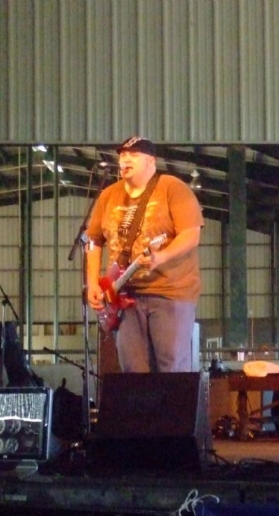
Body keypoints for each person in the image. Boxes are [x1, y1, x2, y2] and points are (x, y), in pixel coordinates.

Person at [86, 136, 204, 373]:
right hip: (124, 296)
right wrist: (91, 283)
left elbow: (191, 235)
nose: (125, 159)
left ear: (151, 161)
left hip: (170, 293)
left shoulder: (173, 188)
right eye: (122, 155)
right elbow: (93, 241)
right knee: (133, 372)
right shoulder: (108, 195)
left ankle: (174, 412)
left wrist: (162, 256)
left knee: (171, 370)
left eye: (134, 155)